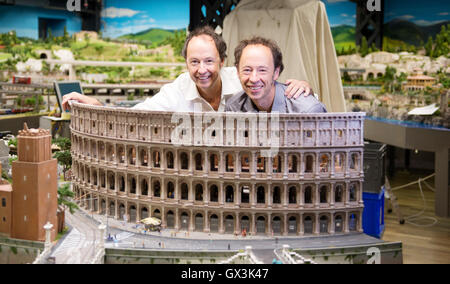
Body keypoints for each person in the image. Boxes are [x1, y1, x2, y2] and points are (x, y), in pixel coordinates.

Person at [62, 26, 314, 112]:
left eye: (209, 61)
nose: (201, 70)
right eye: (194, 62)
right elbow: (138, 112)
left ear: (222, 62)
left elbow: (273, 94)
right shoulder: (177, 90)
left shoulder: (242, 80)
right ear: (186, 64)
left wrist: (299, 87)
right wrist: (96, 104)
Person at [226, 36, 327, 113]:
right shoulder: (233, 108)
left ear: (276, 73)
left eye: (262, 70)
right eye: (247, 70)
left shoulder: (307, 110)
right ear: (238, 72)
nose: (253, 78)